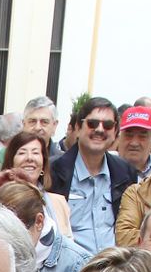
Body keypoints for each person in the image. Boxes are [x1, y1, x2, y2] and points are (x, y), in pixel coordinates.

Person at [50, 96, 141, 254]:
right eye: (92, 123)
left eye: (107, 125)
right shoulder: (54, 171)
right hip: (69, 270)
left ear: (115, 132)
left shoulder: (125, 173)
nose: (99, 129)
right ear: (78, 128)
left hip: (113, 270)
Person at [0, 130, 72, 235]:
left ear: (43, 163)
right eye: (22, 152)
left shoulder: (59, 203)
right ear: (11, 162)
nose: (29, 158)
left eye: (35, 153)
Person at [115, 106, 151, 176]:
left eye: (142, 136)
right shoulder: (103, 164)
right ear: (119, 137)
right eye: (129, 135)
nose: (134, 143)